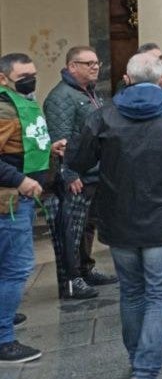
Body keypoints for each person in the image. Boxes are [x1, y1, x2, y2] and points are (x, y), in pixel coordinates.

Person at [68, 53, 162, 379]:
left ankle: (138, 363)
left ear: (127, 80)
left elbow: (80, 161)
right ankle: (146, 378)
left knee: (132, 294)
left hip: (118, 220)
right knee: (159, 296)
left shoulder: (103, 114)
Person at [0, 53, 57, 364]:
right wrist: (21, 180)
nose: (31, 81)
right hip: (9, 201)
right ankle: (3, 339)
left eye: (33, 74)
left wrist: (50, 146)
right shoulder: (4, 109)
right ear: (3, 79)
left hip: (15, 198)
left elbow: (19, 144)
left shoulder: (17, 104)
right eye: (24, 76)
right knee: (16, 267)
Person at [44, 46, 114, 300]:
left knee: (87, 227)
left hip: (94, 174)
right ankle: (72, 280)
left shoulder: (90, 92)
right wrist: (70, 174)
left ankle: (86, 269)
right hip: (77, 177)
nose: (95, 67)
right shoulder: (61, 97)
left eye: (97, 62)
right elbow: (60, 141)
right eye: (88, 63)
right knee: (71, 230)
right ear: (72, 66)